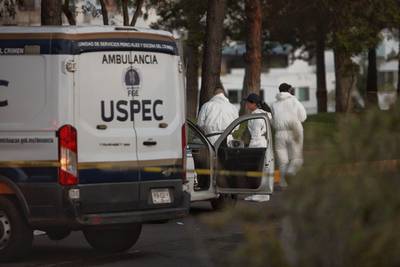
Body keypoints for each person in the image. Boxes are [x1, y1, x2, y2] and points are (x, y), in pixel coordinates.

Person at [271, 83, 307, 188]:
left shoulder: (273, 104)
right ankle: (290, 173)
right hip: (294, 131)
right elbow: (303, 117)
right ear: (289, 90)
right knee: (297, 158)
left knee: (282, 161)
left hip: (279, 133)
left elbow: (274, 122)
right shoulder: (295, 101)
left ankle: (283, 183)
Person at [242, 93, 271, 202]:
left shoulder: (257, 116)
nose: (246, 104)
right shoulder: (262, 113)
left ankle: (261, 195)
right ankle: (258, 193)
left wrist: (250, 149)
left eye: (248, 102)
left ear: (253, 104)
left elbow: (256, 135)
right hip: (262, 143)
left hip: (258, 144)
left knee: (257, 170)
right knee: (260, 170)